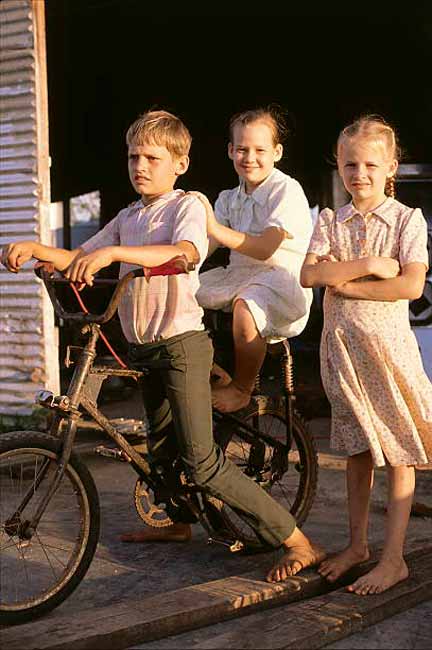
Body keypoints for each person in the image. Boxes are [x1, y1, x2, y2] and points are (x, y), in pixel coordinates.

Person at [1, 109, 325, 583]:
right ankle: (177, 524)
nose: (141, 165)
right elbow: (81, 255)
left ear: (180, 163)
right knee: (160, 452)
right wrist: (35, 247)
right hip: (144, 347)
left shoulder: (187, 206)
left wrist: (116, 254)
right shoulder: (129, 215)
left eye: (153, 157)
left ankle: (297, 541)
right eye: (134, 156)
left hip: (181, 346)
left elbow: (186, 253)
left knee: (202, 462)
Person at [300, 114, 432, 595]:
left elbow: (411, 285)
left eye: (371, 165)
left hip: (387, 352)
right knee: (356, 450)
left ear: (391, 166)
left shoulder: (405, 220)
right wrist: (374, 266)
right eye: (350, 164)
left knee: (400, 452)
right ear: (338, 165)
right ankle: (357, 545)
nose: (360, 174)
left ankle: (393, 557)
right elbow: (309, 277)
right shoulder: (331, 221)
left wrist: (345, 284)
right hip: (344, 355)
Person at [193, 106, 313, 413]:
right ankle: (209, 370)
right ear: (230, 150)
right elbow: (205, 244)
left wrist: (217, 229)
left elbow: (265, 249)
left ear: (277, 152)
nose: (250, 158)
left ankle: (242, 388)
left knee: (247, 306)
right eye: (242, 149)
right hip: (239, 274)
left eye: (260, 150)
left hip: (281, 279)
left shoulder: (285, 190)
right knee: (182, 291)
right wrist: (181, 260)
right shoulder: (229, 198)